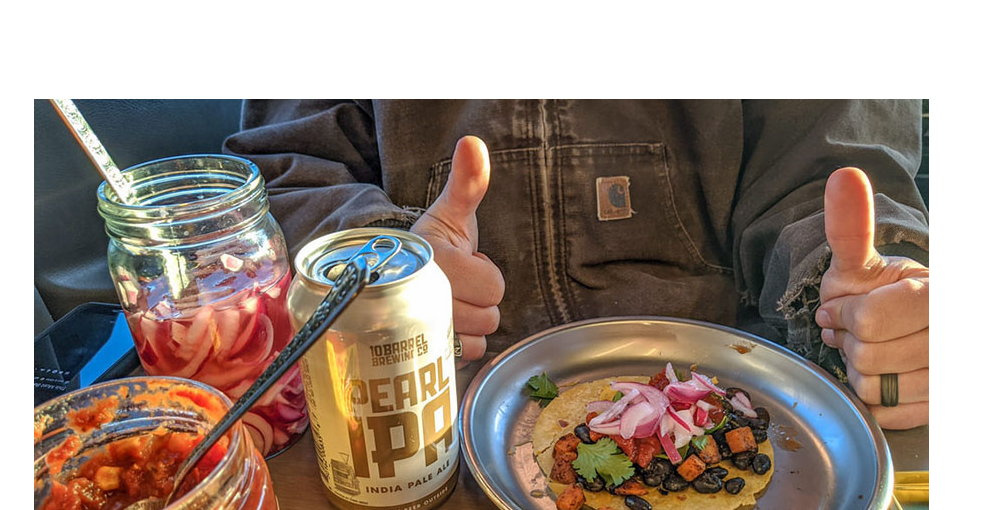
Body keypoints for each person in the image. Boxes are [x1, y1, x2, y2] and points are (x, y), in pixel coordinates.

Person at [224, 100, 929, 430]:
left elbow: (842, 175)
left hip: (750, 400)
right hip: (423, 405)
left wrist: (871, 304)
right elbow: (286, 173)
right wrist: (388, 258)